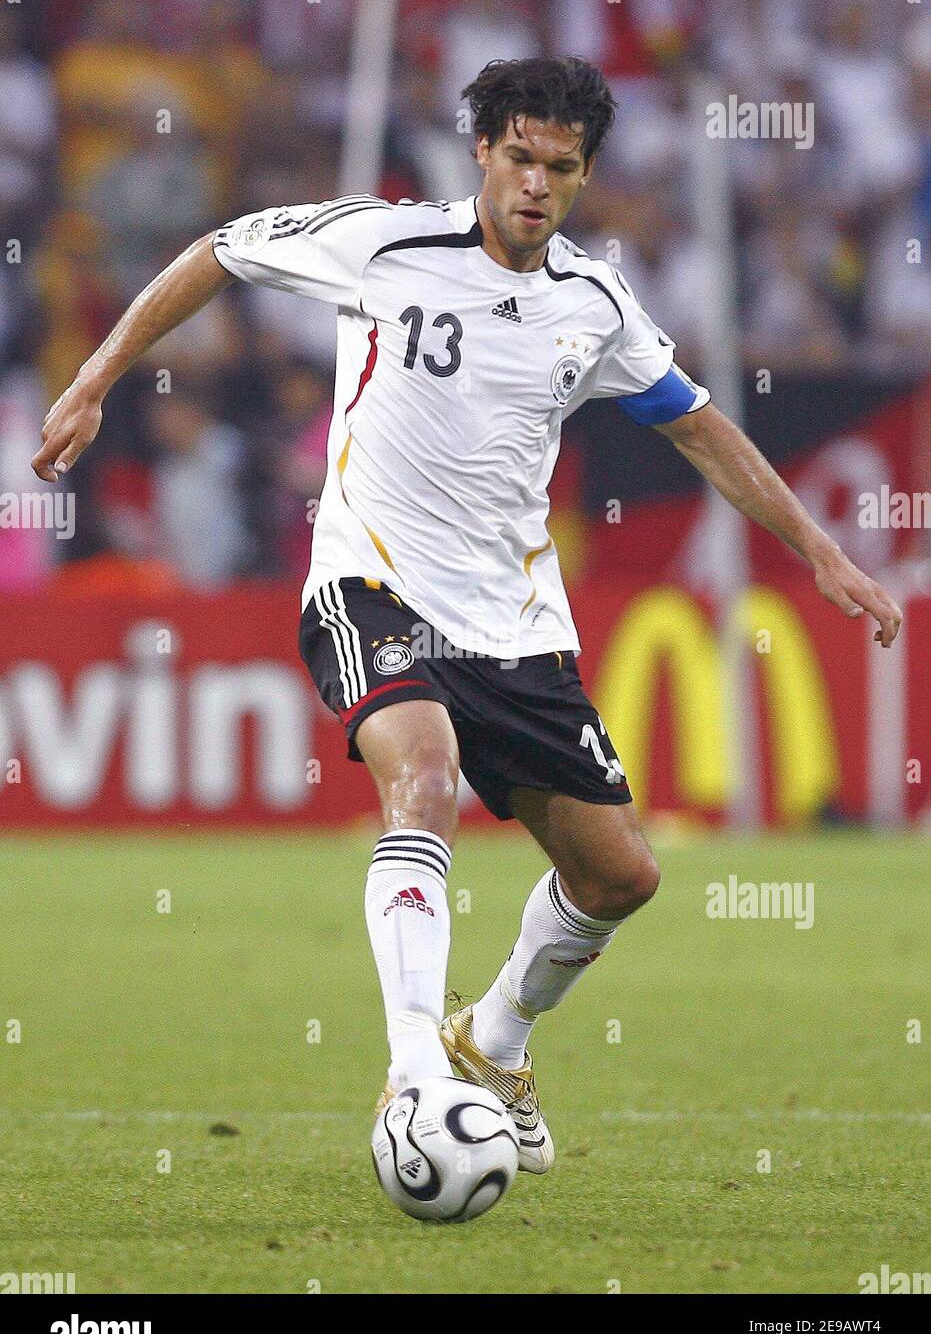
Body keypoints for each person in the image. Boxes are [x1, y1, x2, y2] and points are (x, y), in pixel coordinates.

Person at [32, 57, 901, 1175]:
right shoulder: (386, 243)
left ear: (583, 177)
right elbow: (220, 250)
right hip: (371, 583)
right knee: (424, 778)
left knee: (619, 876)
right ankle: (414, 1077)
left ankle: (488, 1040)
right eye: (521, 157)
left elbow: (696, 426)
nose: (537, 184)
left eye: (563, 169)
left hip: (516, 626)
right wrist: (97, 378)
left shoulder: (593, 304)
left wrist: (820, 550)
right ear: (482, 150)